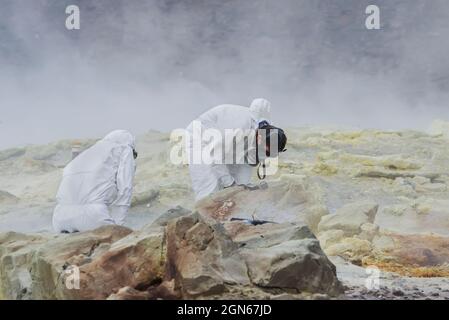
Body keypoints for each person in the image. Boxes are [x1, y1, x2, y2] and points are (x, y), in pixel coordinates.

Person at [186, 98, 287, 201]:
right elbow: (214, 155)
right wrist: (229, 183)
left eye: (269, 153)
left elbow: (248, 165)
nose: (266, 154)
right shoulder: (238, 129)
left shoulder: (271, 133)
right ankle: (202, 212)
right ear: (259, 138)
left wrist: (241, 187)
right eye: (265, 150)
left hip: (233, 142)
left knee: (240, 187)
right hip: (201, 138)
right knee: (210, 186)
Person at [52, 130, 137, 233]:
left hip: (60, 219)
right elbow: (125, 189)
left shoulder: (89, 152)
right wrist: (118, 227)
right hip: (93, 218)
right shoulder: (124, 148)